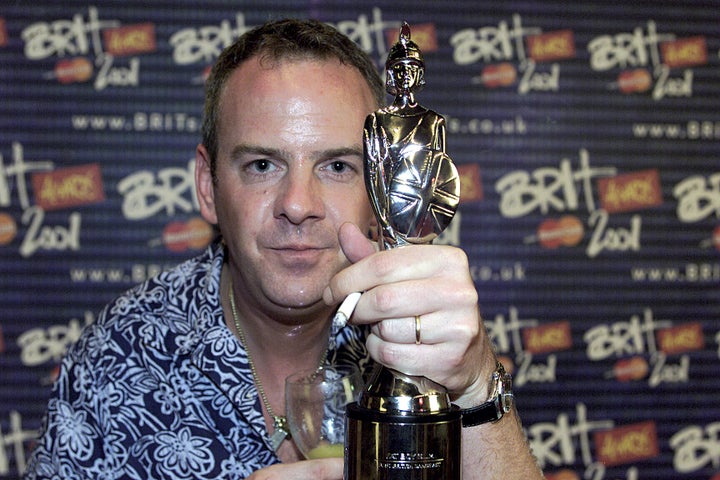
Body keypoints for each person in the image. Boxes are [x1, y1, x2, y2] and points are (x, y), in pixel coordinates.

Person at [25, 19, 544, 479]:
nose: (297, 205)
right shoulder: (117, 359)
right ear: (208, 187)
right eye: (262, 165)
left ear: (382, 187)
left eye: (338, 166)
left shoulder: (431, 340)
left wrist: (476, 389)